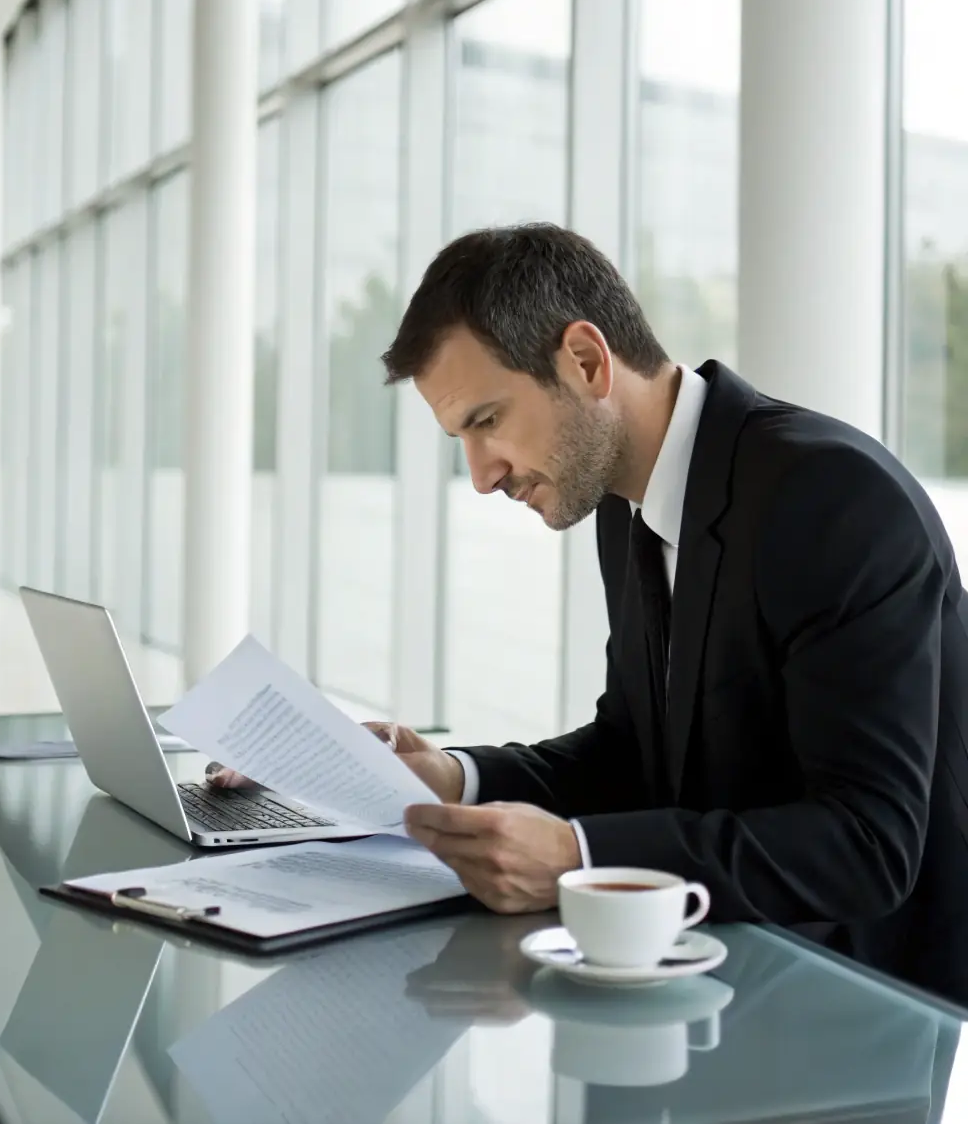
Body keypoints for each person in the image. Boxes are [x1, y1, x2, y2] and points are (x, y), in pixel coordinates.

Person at [215, 223, 968, 1007]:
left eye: (487, 421)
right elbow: (630, 751)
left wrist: (576, 853)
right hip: (706, 978)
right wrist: (452, 775)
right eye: (461, 438)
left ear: (585, 360)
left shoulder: (831, 497)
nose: (481, 475)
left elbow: (867, 844)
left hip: (862, 1009)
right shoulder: (626, 503)